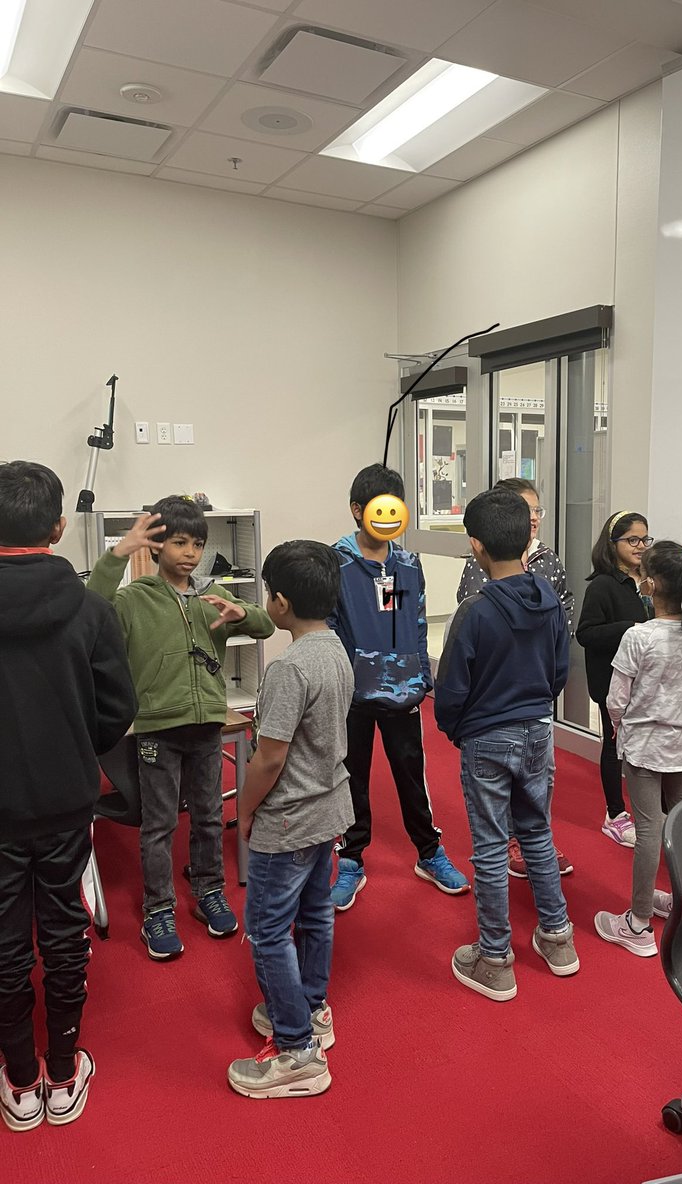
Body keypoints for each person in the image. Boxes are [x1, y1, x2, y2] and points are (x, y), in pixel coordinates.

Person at [0, 462, 136, 1131]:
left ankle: (19, 1082)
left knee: (2, 943)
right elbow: (118, 710)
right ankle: (61, 1071)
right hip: (64, 801)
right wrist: (79, 745)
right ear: (58, 527)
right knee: (63, 932)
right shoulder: (91, 609)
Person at [87, 496, 275, 960]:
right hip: (156, 729)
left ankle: (210, 890)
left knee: (209, 814)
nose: (190, 552)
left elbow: (267, 624)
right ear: (157, 547)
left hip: (207, 726)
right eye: (179, 542)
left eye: (198, 543)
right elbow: (90, 608)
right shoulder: (133, 599)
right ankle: (158, 909)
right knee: (159, 823)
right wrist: (115, 556)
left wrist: (241, 615)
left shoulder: (213, 595)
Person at [435, 488, 578, 1001]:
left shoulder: (473, 612)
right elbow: (560, 671)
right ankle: (558, 939)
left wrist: (456, 728)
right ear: (528, 536)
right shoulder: (550, 603)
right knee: (537, 830)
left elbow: (451, 687)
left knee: (492, 845)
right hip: (538, 729)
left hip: (487, 737)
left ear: (476, 546)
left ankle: (495, 957)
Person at [227, 540, 353, 1099]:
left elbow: (269, 757)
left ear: (278, 603)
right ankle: (312, 1004)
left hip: (289, 819)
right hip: (328, 806)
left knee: (270, 929)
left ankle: (298, 1049)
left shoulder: (289, 668)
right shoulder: (335, 648)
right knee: (316, 912)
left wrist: (245, 810)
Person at [329, 465, 469, 909]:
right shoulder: (334, 563)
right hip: (352, 694)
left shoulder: (405, 564)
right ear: (357, 510)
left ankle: (429, 853)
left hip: (403, 690)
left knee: (412, 773)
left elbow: (406, 619)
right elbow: (329, 626)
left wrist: (419, 675)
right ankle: (350, 860)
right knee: (351, 773)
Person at [595, 540, 682, 957]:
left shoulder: (640, 636)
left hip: (645, 746)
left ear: (649, 585)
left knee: (649, 827)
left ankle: (635, 924)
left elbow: (616, 699)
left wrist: (618, 726)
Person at [457, 477, 575, 880]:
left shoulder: (547, 565)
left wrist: (458, 726)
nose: (534, 519)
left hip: (512, 720)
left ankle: (495, 944)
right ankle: (554, 930)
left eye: (536, 511)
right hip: (516, 715)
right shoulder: (482, 583)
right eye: (527, 512)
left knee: (512, 828)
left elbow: (455, 680)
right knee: (522, 826)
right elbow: (560, 668)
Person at [576, 510, 653, 848]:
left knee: (644, 750)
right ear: (613, 543)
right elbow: (586, 633)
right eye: (632, 540)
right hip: (611, 683)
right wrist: (632, 630)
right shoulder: (604, 585)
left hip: (645, 682)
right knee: (614, 746)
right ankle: (615, 814)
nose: (640, 546)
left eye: (644, 539)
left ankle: (650, 812)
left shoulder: (649, 580)